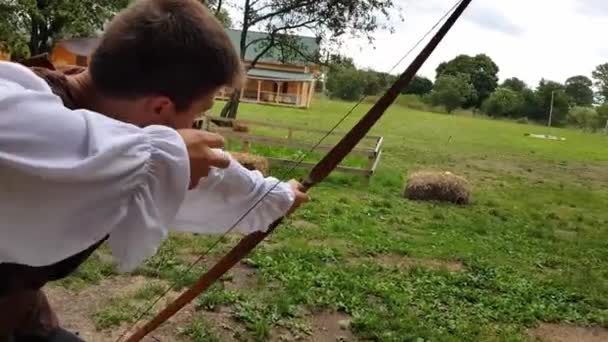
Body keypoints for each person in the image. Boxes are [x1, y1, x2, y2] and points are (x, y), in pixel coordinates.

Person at [0, 0, 309, 341]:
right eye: (200, 111)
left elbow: (193, 178)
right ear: (161, 107)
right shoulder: (21, 117)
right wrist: (167, 154)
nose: (192, 126)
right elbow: (145, 159)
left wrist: (276, 197)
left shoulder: (106, 142)